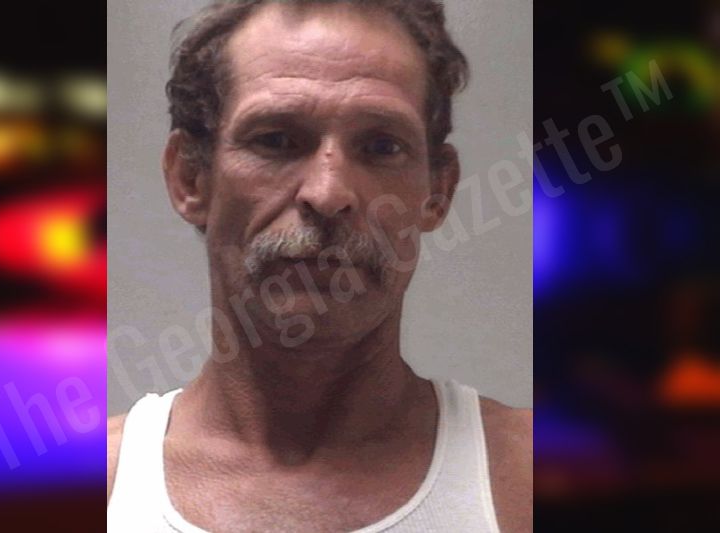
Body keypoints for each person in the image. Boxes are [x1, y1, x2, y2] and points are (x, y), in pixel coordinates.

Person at [107, 0, 532, 531]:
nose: (329, 194)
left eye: (381, 146)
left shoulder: (528, 480)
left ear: (437, 191)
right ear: (190, 178)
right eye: (276, 140)